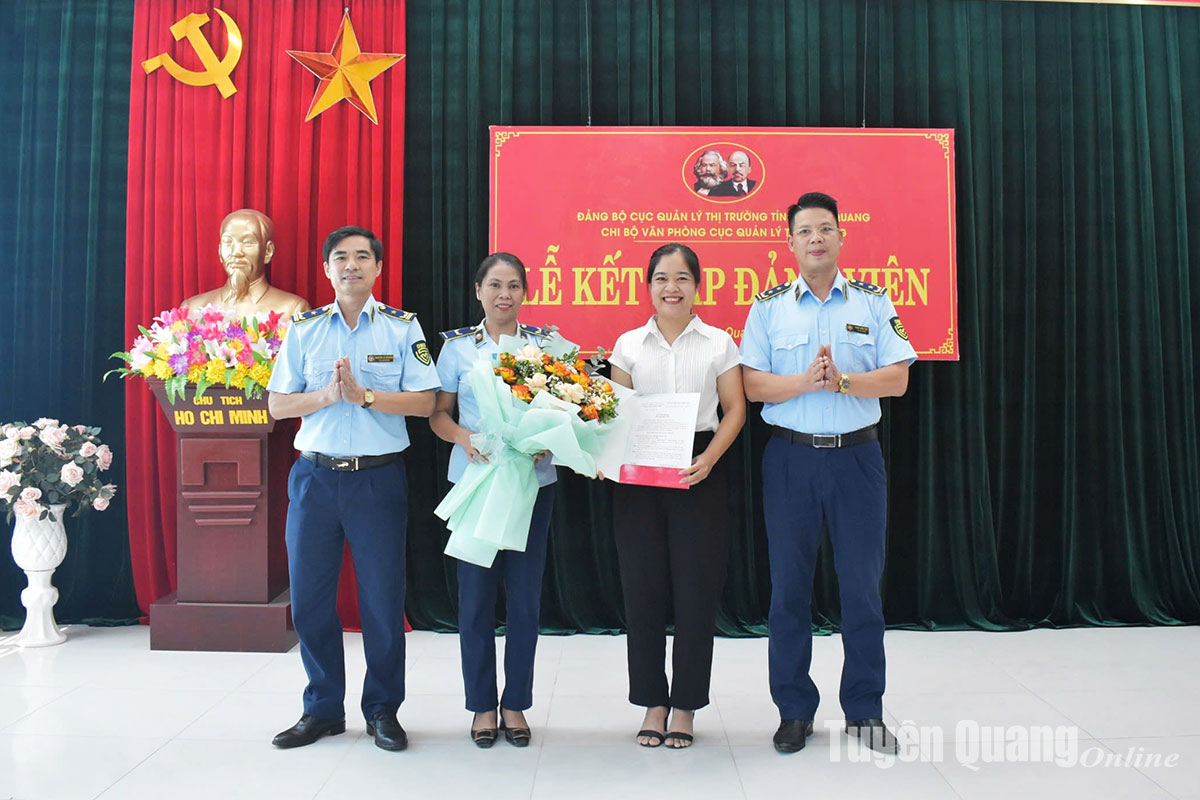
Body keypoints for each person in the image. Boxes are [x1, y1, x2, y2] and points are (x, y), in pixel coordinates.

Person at [739, 192, 916, 754]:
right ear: (789, 243)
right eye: (805, 231)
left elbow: (898, 379)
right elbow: (751, 384)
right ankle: (794, 711)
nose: (816, 238)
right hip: (789, 459)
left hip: (856, 459)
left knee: (862, 589)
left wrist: (843, 382)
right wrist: (805, 382)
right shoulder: (768, 307)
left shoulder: (872, 301)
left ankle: (864, 710)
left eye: (826, 229)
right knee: (788, 589)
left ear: (842, 238)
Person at [266, 225, 440, 752]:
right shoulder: (304, 330)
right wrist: (325, 395)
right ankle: (321, 709)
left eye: (363, 257)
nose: (351, 265)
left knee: (382, 602)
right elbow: (277, 406)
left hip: (377, 480)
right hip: (315, 479)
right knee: (312, 601)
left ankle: (383, 710)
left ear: (378, 268)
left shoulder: (401, 328)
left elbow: (426, 402)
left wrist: (365, 397)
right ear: (326, 269)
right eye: (340, 257)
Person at [607, 243, 746, 748]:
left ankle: (685, 705)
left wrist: (710, 460)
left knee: (696, 591)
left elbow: (734, 410)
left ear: (697, 286)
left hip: (698, 470)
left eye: (683, 278)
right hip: (639, 474)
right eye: (662, 278)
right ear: (648, 286)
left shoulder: (718, 343)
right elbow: (615, 414)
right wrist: (607, 461)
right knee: (641, 590)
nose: (672, 287)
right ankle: (652, 701)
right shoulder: (628, 344)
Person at [430, 253, 555, 749]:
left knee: (525, 601)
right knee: (476, 599)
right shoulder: (458, 349)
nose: (505, 294)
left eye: (515, 286)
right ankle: (482, 704)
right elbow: (439, 415)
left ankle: (516, 704)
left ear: (526, 293)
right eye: (496, 285)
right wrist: (464, 437)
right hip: (477, 485)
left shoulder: (544, 347)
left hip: (531, 486)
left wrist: (553, 440)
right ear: (478, 290)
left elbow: (562, 410)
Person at [182, 208, 311, 318]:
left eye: (248, 242)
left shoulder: (293, 310)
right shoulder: (192, 309)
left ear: (268, 252)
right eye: (228, 242)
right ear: (220, 250)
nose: (236, 252)